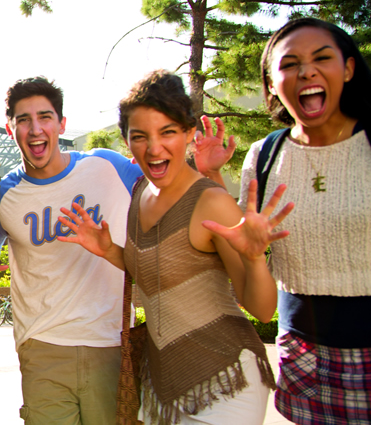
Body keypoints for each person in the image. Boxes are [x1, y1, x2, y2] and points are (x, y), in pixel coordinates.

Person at [0, 76, 233, 424]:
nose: (35, 128)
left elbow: (177, 194)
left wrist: (208, 171)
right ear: (11, 130)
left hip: (113, 346)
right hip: (42, 347)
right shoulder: (5, 194)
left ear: (61, 124)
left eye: (44, 117)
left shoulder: (108, 166)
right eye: (23, 120)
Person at [59, 70, 293, 424]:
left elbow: (262, 310)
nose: (154, 148)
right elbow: (159, 271)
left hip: (225, 380)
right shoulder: (139, 193)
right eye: (140, 136)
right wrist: (109, 250)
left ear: (189, 133)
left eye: (167, 132)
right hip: (162, 386)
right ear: (128, 143)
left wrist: (256, 259)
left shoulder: (211, 202)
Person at [240, 17, 371, 424]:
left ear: (348, 68)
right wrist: (251, 254)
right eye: (289, 64)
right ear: (272, 82)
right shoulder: (263, 158)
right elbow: (259, 302)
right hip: (302, 359)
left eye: (321, 58)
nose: (306, 71)